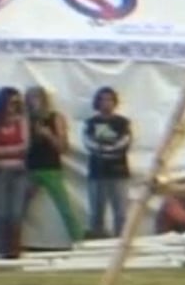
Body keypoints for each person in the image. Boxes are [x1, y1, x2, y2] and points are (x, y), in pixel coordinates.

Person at [24, 87, 83, 244]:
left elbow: (63, 148)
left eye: (37, 97)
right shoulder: (24, 119)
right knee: (18, 208)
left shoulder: (55, 118)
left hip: (51, 168)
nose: (34, 102)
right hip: (29, 169)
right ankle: (12, 244)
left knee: (65, 207)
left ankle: (78, 240)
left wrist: (49, 135)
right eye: (31, 98)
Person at [0, 88, 31, 258]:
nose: (14, 106)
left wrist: (2, 150)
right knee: (1, 211)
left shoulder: (22, 121)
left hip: (18, 172)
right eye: (11, 103)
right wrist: (13, 149)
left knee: (16, 212)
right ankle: (2, 248)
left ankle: (14, 248)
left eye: (17, 103)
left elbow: (25, 147)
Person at [82, 87, 134, 240]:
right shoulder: (90, 123)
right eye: (103, 99)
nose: (106, 103)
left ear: (115, 102)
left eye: (109, 99)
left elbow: (125, 142)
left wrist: (106, 150)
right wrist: (105, 150)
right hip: (97, 172)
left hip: (119, 172)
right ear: (97, 102)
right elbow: (88, 143)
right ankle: (97, 242)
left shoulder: (123, 123)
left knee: (121, 213)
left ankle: (121, 243)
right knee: (96, 213)